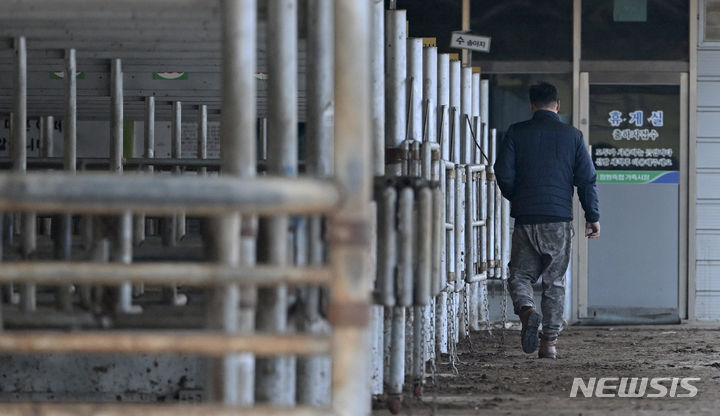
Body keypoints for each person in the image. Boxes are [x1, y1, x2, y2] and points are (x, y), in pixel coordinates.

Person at [494, 82, 600, 359]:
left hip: (526, 218)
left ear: (531, 105)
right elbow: (587, 180)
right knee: (554, 281)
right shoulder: (573, 136)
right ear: (558, 105)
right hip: (558, 220)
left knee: (520, 275)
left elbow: (503, 173)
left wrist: (516, 197)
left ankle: (528, 310)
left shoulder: (517, 132)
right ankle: (549, 343)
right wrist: (593, 216)